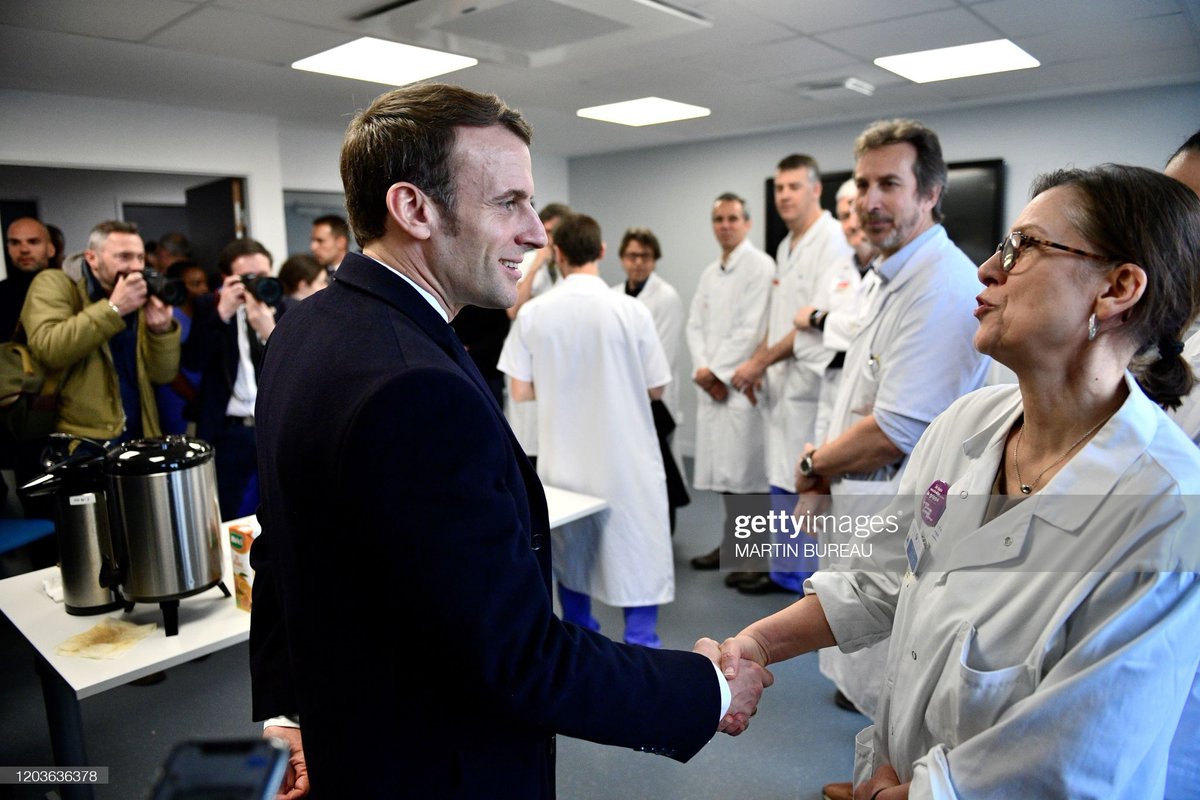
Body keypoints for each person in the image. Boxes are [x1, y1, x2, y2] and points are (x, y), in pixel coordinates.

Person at [248, 83, 772, 799]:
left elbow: (279, 548)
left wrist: (287, 709)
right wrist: (706, 691)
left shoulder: (306, 329)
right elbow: (517, 654)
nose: (535, 233)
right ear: (413, 209)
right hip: (436, 763)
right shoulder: (412, 386)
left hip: (354, 733)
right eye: (509, 203)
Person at [719, 163, 1200, 800]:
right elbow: (881, 575)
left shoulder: (1167, 507)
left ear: (1116, 290)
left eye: (1026, 247)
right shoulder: (969, 424)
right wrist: (754, 643)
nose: (987, 269)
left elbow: (1078, 753)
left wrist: (919, 794)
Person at [793, 120, 990, 800]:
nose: (871, 201)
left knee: (899, 692)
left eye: (890, 185)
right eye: (865, 185)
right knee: (882, 703)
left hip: (903, 515)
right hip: (868, 505)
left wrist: (814, 465)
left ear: (931, 192)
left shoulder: (940, 287)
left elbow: (894, 429)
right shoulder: (889, 276)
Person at [500, 213, 673, 647]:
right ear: (600, 251)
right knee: (636, 551)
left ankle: (584, 644)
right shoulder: (631, 311)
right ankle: (641, 641)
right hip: (625, 459)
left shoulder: (534, 313)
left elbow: (520, 392)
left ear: (556, 254)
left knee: (574, 554)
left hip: (567, 461)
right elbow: (656, 388)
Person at [731, 154, 852, 595]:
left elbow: (811, 326)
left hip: (811, 383)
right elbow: (781, 317)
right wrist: (760, 361)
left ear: (816, 189)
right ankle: (782, 572)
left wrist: (761, 361)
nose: (784, 195)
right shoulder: (785, 245)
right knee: (780, 478)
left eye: (794, 187)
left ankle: (804, 580)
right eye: (779, 188)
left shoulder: (833, 240)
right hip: (783, 384)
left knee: (803, 480)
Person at [21, 219, 179, 443]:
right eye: (124, 257)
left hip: (140, 432)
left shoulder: (139, 296)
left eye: (140, 257)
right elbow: (49, 349)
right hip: (82, 439)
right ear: (92, 258)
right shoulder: (55, 283)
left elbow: (163, 375)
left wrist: (161, 332)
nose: (135, 267)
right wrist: (114, 310)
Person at [685, 192, 773, 575]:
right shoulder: (709, 273)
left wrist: (717, 373)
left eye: (733, 218)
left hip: (740, 384)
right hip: (714, 384)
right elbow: (695, 326)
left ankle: (752, 560)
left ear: (747, 223)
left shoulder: (760, 266)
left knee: (747, 478)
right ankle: (729, 547)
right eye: (719, 219)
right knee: (725, 477)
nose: (725, 225)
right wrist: (704, 371)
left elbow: (750, 329)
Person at [183, 238, 284, 520]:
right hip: (229, 431)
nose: (256, 284)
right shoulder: (207, 306)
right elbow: (192, 361)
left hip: (273, 426)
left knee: (279, 508)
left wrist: (269, 330)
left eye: (263, 276)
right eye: (248, 278)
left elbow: (296, 366)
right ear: (228, 279)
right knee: (225, 509)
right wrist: (221, 314)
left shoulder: (285, 305)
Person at [611, 226, 689, 531]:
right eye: (632, 255)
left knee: (661, 466)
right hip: (625, 396)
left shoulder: (666, 297)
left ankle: (665, 529)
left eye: (645, 256)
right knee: (635, 470)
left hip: (654, 396)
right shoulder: (613, 295)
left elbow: (662, 356)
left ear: (654, 259)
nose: (638, 262)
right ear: (622, 259)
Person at [502, 202, 570, 466]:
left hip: (558, 360)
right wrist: (536, 265)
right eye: (547, 230)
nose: (551, 238)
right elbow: (513, 310)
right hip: (526, 362)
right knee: (527, 439)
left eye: (557, 231)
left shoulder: (572, 268)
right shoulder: (526, 261)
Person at [2, 217, 57, 337]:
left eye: (33, 242)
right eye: (15, 243)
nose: (24, 250)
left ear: (51, 249)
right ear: (8, 249)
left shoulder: (69, 288)